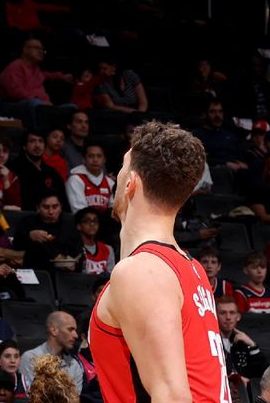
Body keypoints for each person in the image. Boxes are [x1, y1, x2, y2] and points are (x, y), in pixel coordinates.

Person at [89, 121, 231, 401]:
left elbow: (172, 396)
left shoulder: (144, 272)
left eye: (121, 167)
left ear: (130, 183)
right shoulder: (190, 268)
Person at [12, 191, 81, 272]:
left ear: (61, 207)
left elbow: (77, 250)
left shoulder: (70, 224)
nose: (51, 212)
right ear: (38, 208)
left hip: (65, 273)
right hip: (36, 270)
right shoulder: (28, 222)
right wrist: (29, 236)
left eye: (55, 207)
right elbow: (16, 245)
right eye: (46, 207)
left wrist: (72, 262)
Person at [20, 311, 84, 395]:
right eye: (70, 329)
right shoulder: (31, 358)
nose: (76, 335)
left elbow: (75, 399)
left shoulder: (74, 365)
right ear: (54, 330)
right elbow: (33, 396)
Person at [0, 38, 72, 105]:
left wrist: (62, 76)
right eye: (36, 48)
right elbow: (15, 92)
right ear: (25, 49)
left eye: (42, 50)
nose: (41, 52)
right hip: (21, 105)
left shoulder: (36, 69)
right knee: (35, 103)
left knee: (71, 107)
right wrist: (39, 100)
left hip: (43, 105)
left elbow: (46, 75)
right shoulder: (15, 67)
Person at [9, 131, 67, 211]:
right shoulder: (15, 168)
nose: (37, 145)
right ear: (24, 146)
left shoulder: (51, 172)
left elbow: (62, 199)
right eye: (32, 141)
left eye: (41, 141)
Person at [216, 295, 267, 380]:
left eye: (232, 312)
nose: (228, 317)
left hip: (243, 392)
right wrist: (238, 379)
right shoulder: (210, 341)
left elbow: (264, 374)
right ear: (215, 316)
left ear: (238, 317)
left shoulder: (243, 342)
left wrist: (252, 345)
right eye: (223, 313)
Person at [65, 144, 114, 213]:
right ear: (84, 159)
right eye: (91, 156)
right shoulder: (75, 180)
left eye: (99, 156)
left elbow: (114, 211)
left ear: (104, 160)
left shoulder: (110, 183)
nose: (95, 159)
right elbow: (80, 211)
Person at [75, 207, 115, 275]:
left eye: (95, 221)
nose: (92, 224)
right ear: (79, 226)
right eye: (87, 221)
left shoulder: (107, 249)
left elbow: (111, 276)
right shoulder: (75, 249)